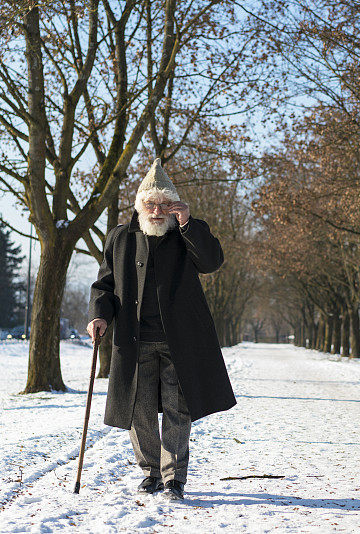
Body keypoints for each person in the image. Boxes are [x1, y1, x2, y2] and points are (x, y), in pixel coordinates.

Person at [87, 158, 236, 500]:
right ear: (139, 206)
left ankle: (173, 478)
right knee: (138, 411)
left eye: (163, 205)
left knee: (176, 409)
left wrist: (188, 223)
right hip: (133, 340)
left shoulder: (185, 234)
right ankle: (150, 472)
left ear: (173, 208)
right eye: (149, 204)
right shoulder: (120, 238)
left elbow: (212, 261)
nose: (156, 211)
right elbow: (104, 286)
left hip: (178, 342)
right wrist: (99, 315)